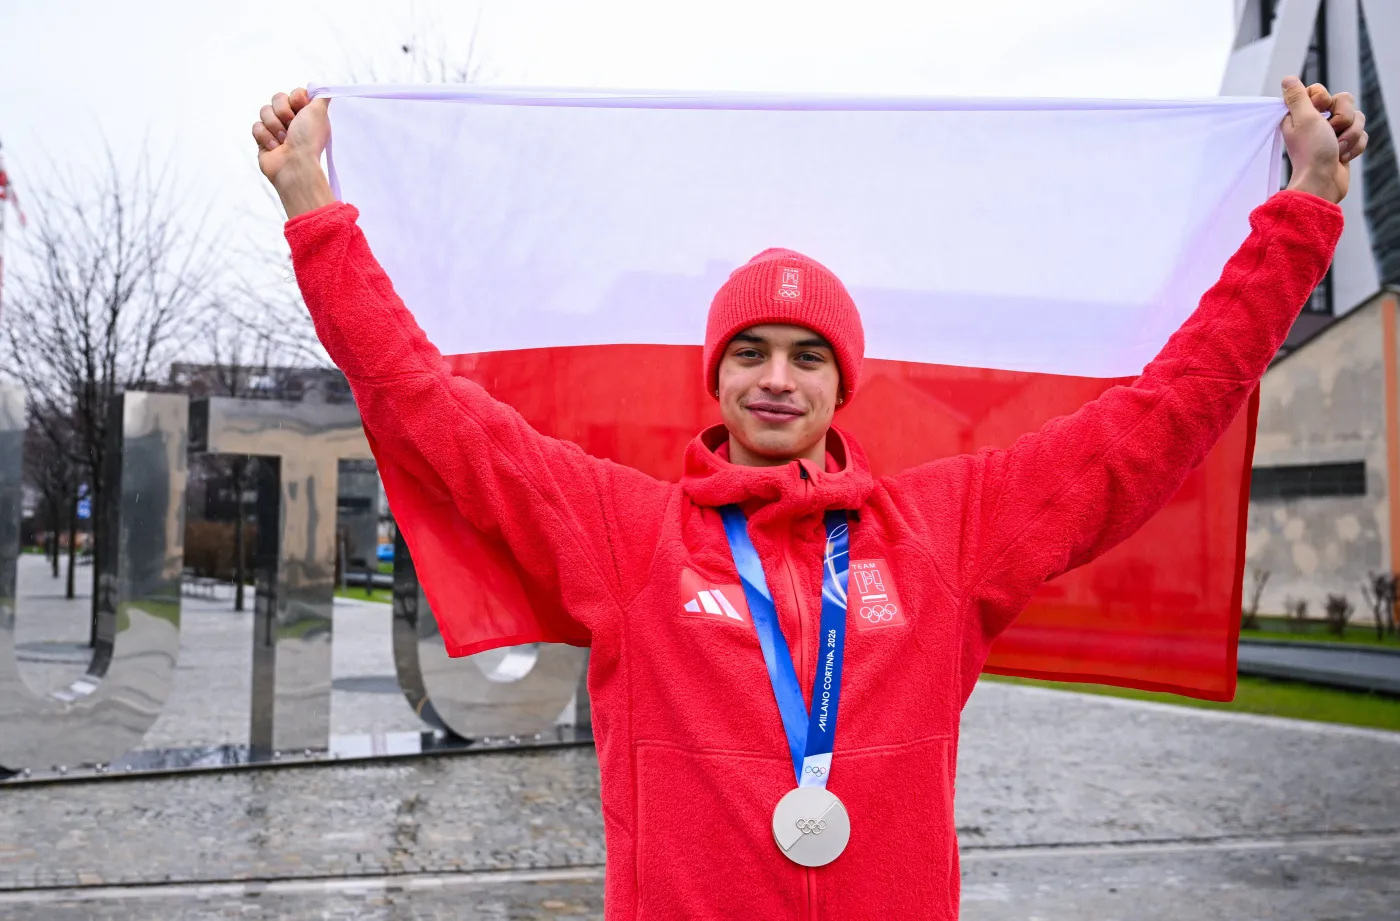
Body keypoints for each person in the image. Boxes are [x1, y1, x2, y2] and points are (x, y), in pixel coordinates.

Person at [253, 77, 1365, 920]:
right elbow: (428, 409)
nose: (775, 377)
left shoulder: (944, 532)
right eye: (747, 352)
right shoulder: (630, 536)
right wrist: (313, 208)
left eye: (804, 355)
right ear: (716, 376)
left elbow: (1163, 413)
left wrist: (1304, 209)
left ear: (842, 385)